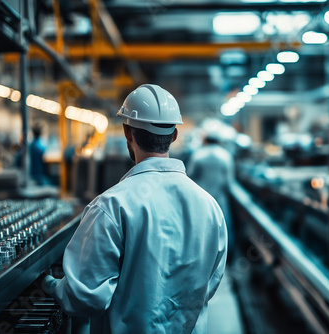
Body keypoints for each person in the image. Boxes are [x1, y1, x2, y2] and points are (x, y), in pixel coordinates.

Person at [42, 84, 227, 333]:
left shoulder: (112, 206)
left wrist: (50, 285)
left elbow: (85, 299)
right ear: (173, 136)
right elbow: (209, 284)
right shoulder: (210, 207)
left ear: (127, 132)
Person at [186, 131, 235, 253]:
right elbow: (229, 182)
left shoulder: (198, 154)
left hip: (201, 200)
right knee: (223, 229)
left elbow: (189, 177)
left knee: (201, 230)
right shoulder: (226, 155)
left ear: (206, 140)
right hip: (220, 199)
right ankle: (226, 256)